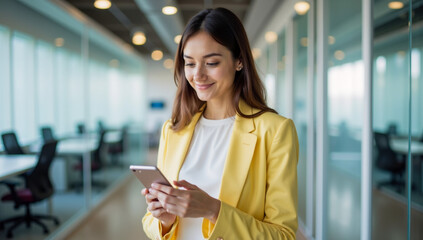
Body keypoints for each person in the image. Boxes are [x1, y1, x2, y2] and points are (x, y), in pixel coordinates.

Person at [141, 7, 299, 240]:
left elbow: (283, 235)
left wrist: (213, 210)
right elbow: (149, 221)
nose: (198, 75)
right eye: (190, 63)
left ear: (239, 61)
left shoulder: (274, 131)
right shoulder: (173, 130)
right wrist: (165, 221)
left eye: (211, 63)